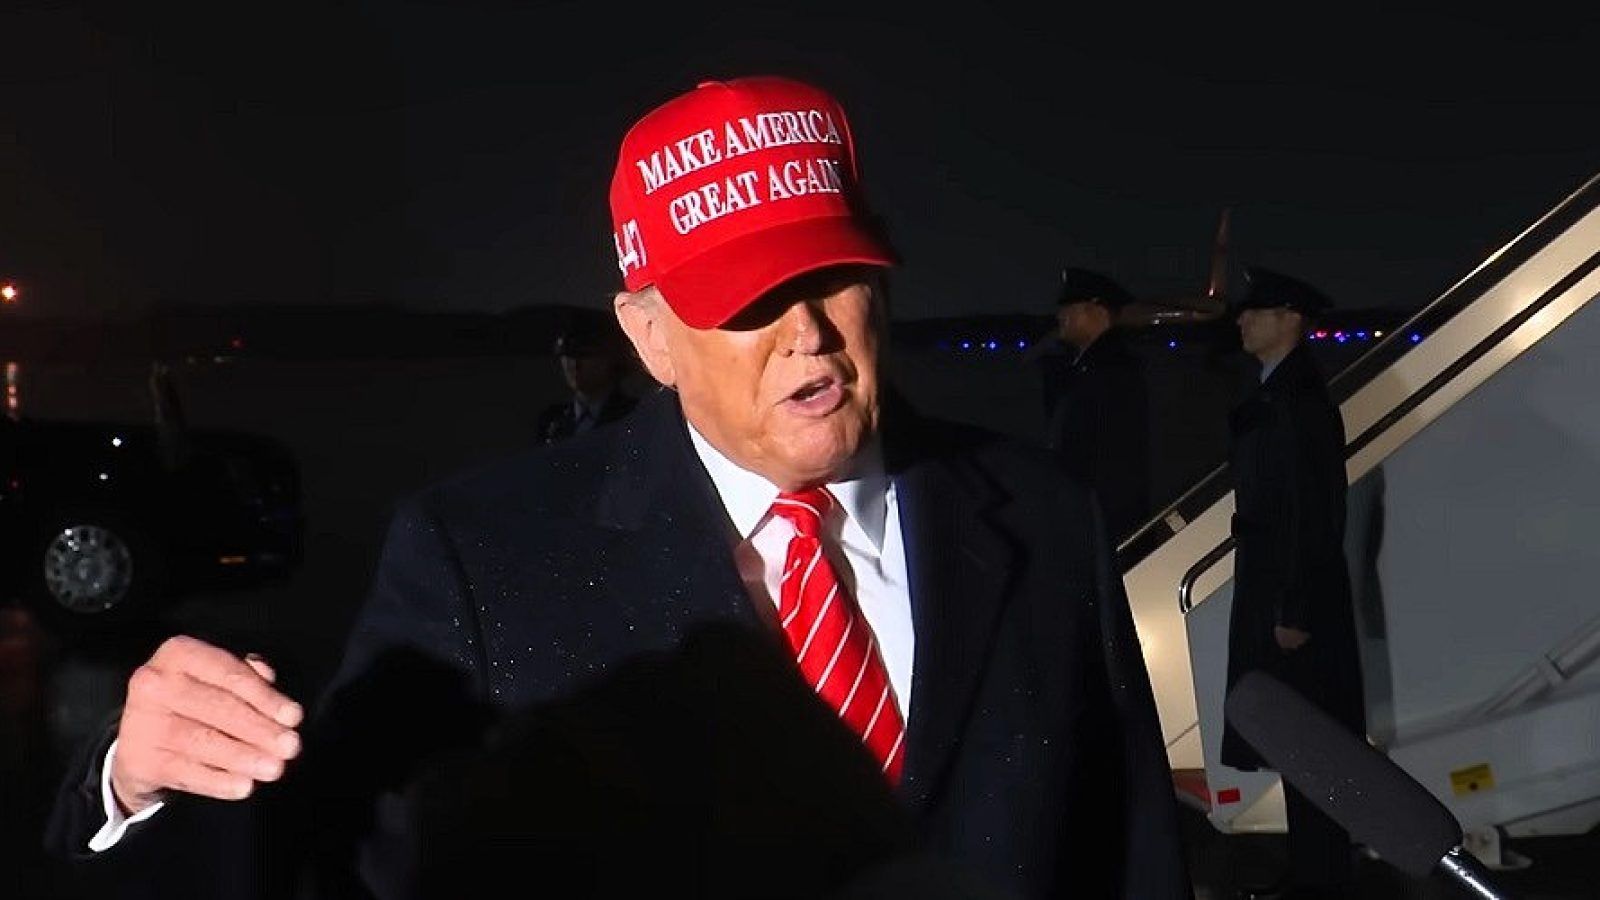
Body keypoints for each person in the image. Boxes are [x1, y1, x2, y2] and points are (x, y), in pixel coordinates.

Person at [46, 75, 1190, 899]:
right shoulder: (482, 556)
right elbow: (335, 867)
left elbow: (1132, 844)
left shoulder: (1045, 517)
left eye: (831, 275)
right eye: (748, 298)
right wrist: (134, 785)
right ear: (649, 337)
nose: (806, 334)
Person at [1219, 266, 1367, 900]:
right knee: (1297, 739)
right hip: (1276, 588)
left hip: (1290, 598)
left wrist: (1295, 609)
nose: (1242, 320)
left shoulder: (1298, 402)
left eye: (1256, 311)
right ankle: (1312, 868)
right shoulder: (1278, 392)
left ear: (1290, 321)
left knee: (1310, 739)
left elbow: (1315, 511)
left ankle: (1323, 876)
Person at [1041, 267, 1152, 547]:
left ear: (1098, 312)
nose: (1060, 315)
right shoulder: (1088, 368)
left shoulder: (1112, 374)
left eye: (1070, 307)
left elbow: (1114, 464)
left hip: (1101, 524)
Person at [533, 314, 639, 444]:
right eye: (568, 354)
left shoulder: (633, 414)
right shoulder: (552, 420)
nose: (574, 364)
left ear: (609, 359)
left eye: (585, 354)